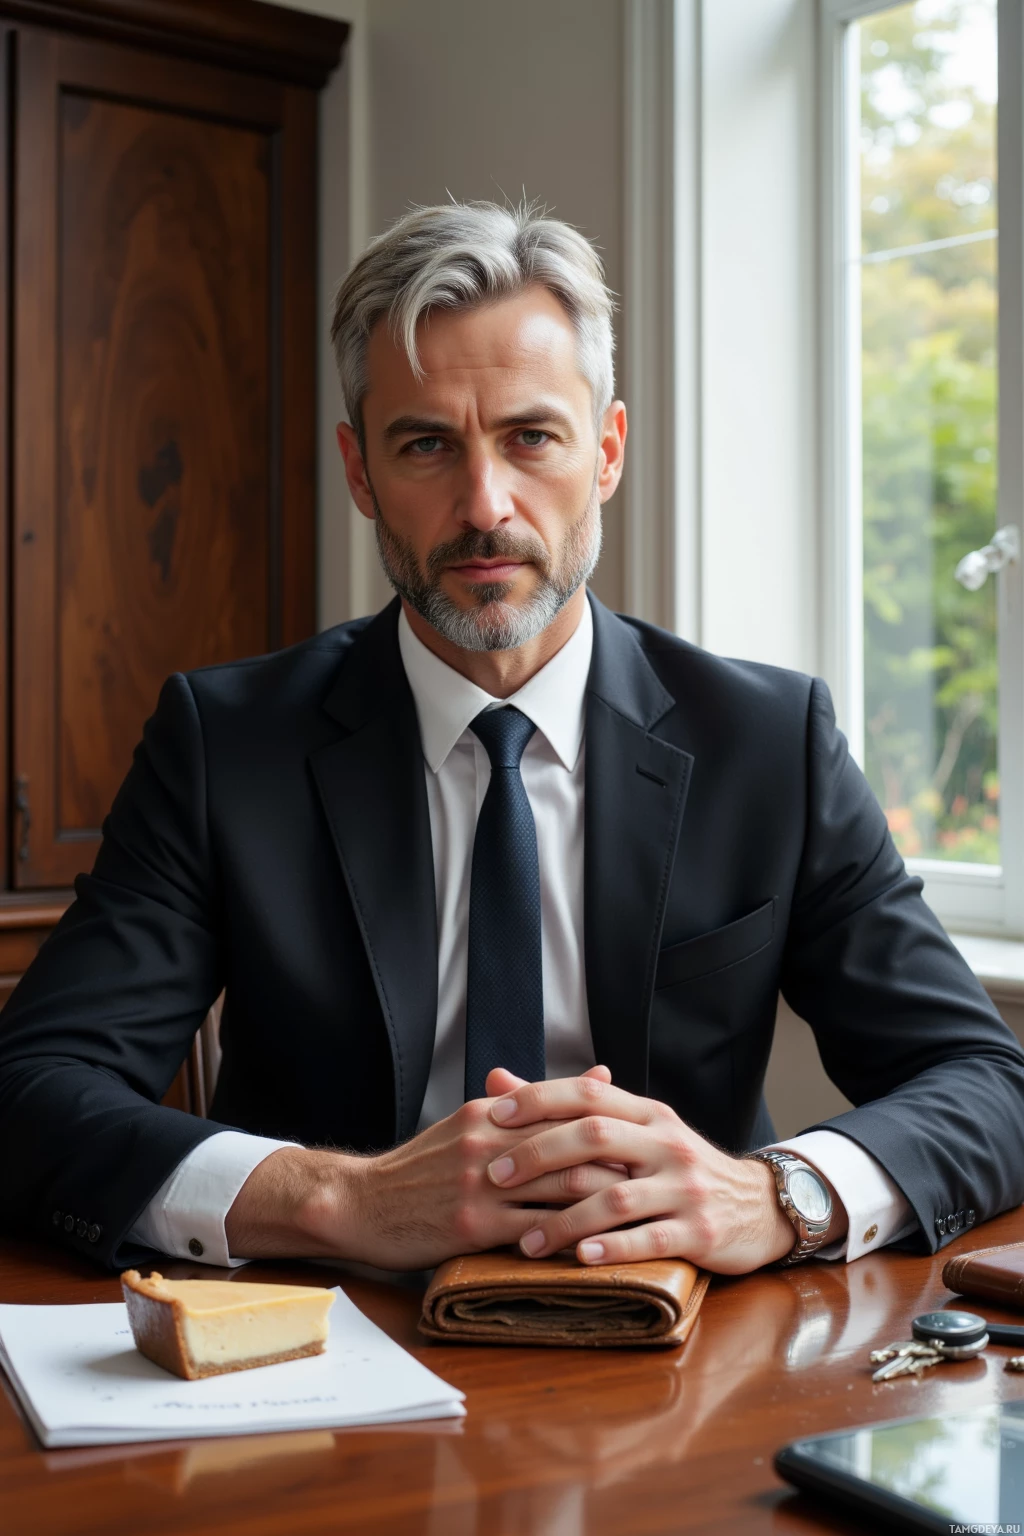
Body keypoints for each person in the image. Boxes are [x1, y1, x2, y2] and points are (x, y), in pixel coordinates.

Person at [1, 201, 1021, 1279]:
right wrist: (340, 1198)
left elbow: (986, 1084)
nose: (484, 506)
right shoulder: (224, 745)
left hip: (685, 1357)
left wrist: (774, 1194)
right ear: (359, 474)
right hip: (328, 1349)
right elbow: (30, 1094)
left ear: (608, 451)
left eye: (531, 437)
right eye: (425, 445)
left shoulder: (769, 743)